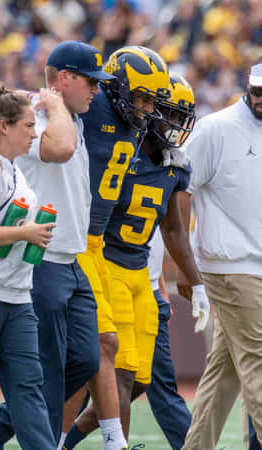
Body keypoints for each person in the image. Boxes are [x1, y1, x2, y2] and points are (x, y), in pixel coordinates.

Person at [0, 40, 115, 448]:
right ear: (64, 78)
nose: (96, 91)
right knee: (46, 369)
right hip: (42, 258)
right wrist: (52, 105)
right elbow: (61, 150)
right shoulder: (31, 115)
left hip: (72, 258)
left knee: (85, 358)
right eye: (90, 82)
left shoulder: (69, 114)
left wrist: (63, 107)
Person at [64, 72, 210, 448]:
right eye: (170, 116)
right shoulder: (120, 151)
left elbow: (174, 228)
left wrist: (194, 282)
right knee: (121, 374)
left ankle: (51, 438)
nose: (175, 126)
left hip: (140, 273)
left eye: (181, 118)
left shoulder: (172, 164)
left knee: (138, 382)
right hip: (106, 265)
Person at [62, 46, 170, 450]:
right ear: (119, 86)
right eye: (141, 97)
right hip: (74, 241)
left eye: (151, 100)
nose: (146, 108)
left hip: (97, 244)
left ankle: (13, 428)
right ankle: (112, 443)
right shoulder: (91, 107)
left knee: (103, 358)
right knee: (99, 347)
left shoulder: (133, 122)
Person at [0, 82, 57, 450]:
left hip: (16, 298)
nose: (35, 133)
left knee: (29, 390)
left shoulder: (12, 171)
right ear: (3, 126)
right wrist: (26, 234)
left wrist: (22, 233)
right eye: (28, 126)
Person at [178, 60, 262, 450]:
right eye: (257, 90)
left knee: (226, 370)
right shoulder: (216, 128)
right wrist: (184, 266)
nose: (261, 99)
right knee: (258, 361)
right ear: (248, 86)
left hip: (253, 262)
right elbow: (181, 190)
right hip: (230, 265)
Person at [147, 228, 192, 450]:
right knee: (88, 374)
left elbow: (149, 241)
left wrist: (161, 288)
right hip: (117, 288)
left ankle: (192, 445)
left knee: (159, 381)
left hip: (150, 290)